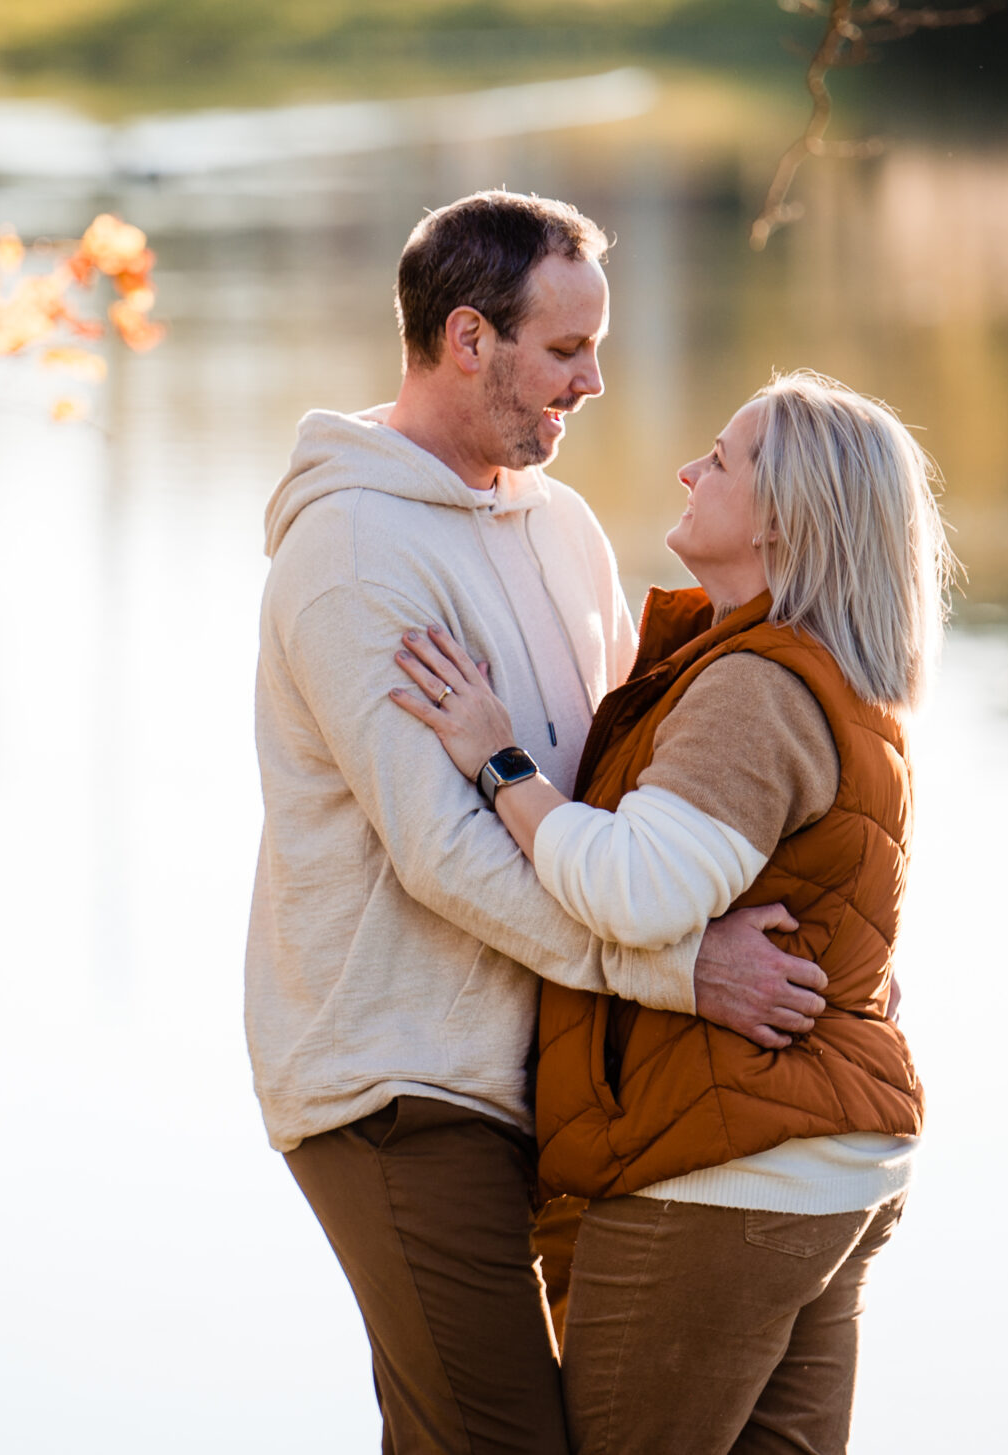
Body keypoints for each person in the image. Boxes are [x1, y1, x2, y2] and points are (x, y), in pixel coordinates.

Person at [247, 193, 836, 1455]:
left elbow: (616, 783)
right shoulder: (351, 551)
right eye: (566, 351)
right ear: (469, 338)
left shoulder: (559, 526)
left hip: (548, 1066)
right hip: (397, 1079)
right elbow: (442, 854)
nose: (596, 379)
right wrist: (681, 970)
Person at [389, 370, 956, 1455]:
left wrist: (500, 759)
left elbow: (633, 891)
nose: (691, 471)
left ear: (786, 515)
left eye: (723, 458)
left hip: (726, 1170)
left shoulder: (758, 687)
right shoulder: (838, 680)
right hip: (829, 1162)